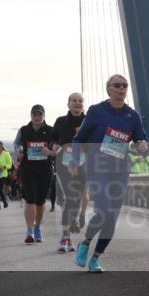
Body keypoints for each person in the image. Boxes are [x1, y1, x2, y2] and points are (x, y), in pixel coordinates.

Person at [70, 75, 149, 272]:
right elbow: (80, 138)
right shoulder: (96, 111)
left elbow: (142, 143)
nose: (121, 88)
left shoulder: (133, 116)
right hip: (97, 168)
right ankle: (86, 243)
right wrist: (73, 160)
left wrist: (143, 147)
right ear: (108, 90)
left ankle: (95, 258)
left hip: (120, 170)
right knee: (104, 211)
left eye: (124, 85)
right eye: (117, 85)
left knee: (111, 217)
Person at [15, 105, 57, 244]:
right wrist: (19, 151)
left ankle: (37, 227)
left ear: (44, 115)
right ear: (31, 115)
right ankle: (29, 231)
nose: (37, 117)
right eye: (34, 114)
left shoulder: (51, 130)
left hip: (45, 169)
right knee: (30, 199)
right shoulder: (24, 130)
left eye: (39, 114)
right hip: (28, 168)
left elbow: (57, 148)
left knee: (40, 201)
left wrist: (50, 152)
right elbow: (17, 144)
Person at [52, 92, 87, 252]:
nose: (77, 103)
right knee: (68, 197)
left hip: (83, 165)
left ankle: (72, 225)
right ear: (68, 104)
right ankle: (65, 237)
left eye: (80, 101)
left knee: (76, 198)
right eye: (74, 100)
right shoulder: (60, 121)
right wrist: (53, 145)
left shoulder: (89, 121)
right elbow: (53, 139)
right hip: (63, 165)